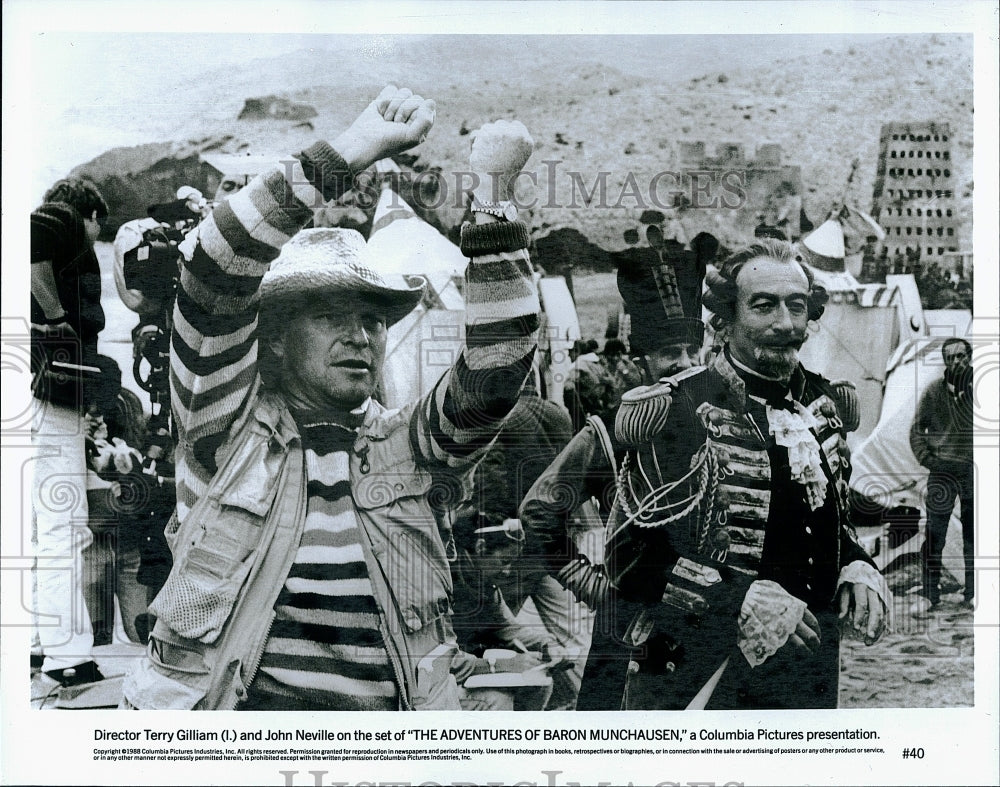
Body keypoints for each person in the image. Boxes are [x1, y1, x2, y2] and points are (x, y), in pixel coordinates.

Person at [122, 86, 540, 711]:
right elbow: (214, 266)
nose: (360, 336)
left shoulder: (409, 444)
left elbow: (497, 367)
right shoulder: (223, 422)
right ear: (279, 340)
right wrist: (352, 151)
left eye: (372, 320)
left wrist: (495, 194)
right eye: (329, 316)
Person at [525, 238, 890, 710]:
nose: (784, 323)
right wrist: (733, 599)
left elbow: (829, 523)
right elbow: (631, 552)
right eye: (763, 307)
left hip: (807, 675)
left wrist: (857, 564)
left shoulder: (824, 404)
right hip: (695, 673)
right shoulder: (670, 410)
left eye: (796, 307)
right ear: (725, 320)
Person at [519, 218, 714, 709]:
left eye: (694, 349)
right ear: (643, 360)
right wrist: (600, 592)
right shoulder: (609, 433)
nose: (684, 362)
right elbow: (539, 513)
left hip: (713, 630)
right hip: (632, 633)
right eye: (670, 352)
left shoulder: (724, 422)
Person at [30, 177, 111, 686]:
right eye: (98, 228)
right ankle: (68, 658)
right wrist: (58, 318)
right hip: (53, 389)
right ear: (89, 212)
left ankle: (38, 645)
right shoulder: (59, 216)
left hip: (34, 389)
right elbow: (33, 246)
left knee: (39, 524)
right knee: (65, 523)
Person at [909, 337, 974, 611]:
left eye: (961, 356)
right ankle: (929, 594)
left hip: (971, 472)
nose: (957, 361)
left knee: (974, 534)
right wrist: (928, 460)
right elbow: (916, 431)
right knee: (935, 534)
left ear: (969, 358)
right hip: (942, 472)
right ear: (945, 362)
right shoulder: (933, 391)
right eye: (951, 357)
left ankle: (973, 593)